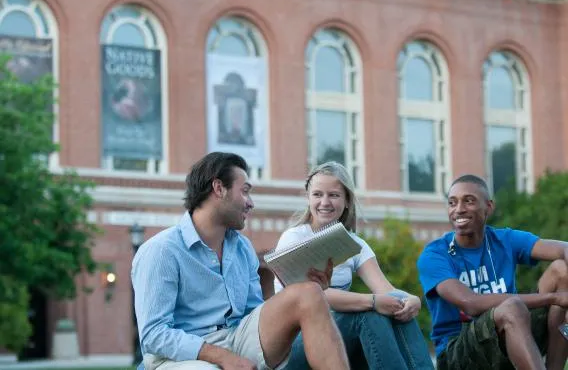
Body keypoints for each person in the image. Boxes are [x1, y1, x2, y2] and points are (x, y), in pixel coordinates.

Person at [131, 152, 350, 370]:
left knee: (309, 293)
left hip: (236, 338)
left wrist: (303, 293)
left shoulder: (242, 248)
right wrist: (221, 357)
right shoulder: (161, 250)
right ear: (219, 189)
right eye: (244, 191)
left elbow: (253, 315)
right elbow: (153, 335)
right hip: (180, 357)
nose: (250, 203)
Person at [273, 161, 434, 370]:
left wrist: (410, 300)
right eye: (318, 194)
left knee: (400, 308)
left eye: (334, 195)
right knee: (368, 315)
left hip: (337, 340)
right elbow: (313, 296)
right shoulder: (293, 238)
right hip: (295, 341)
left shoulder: (355, 244)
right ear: (308, 198)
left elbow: (386, 291)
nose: (325, 202)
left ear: (347, 200)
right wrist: (372, 302)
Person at [417, 174, 568, 370]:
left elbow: (564, 248)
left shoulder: (504, 239)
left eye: (468, 201)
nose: (458, 209)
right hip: (459, 352)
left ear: (489, 207)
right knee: (512, 306)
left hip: (512, 333)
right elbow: (470, 303)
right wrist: (554, 298)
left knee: (562, 271)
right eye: (452, 203)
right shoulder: (435, 254)